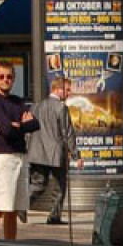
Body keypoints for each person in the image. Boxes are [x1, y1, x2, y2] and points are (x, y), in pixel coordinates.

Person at [0, 62, 38, 240]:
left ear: (14, 79)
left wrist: (15, 125)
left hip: (20, 157)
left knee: (12, 209)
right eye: (2, 76)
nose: (6, 80)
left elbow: (35, 124)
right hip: (2, 158)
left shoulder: (16, 101)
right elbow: (6, 129)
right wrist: (19, 125)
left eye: (9, 77)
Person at [27, 77, 80, 226]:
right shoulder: (61, 108)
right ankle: (54, 216)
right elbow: (67, 132)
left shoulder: (36, 106)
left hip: (37, 152)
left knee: (38, 184)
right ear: (58, 89)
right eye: (67, 89)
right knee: (60, 186)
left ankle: (21, 205)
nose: (69, 93)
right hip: (56, 153)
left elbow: (28, 130)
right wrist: (75, 154)